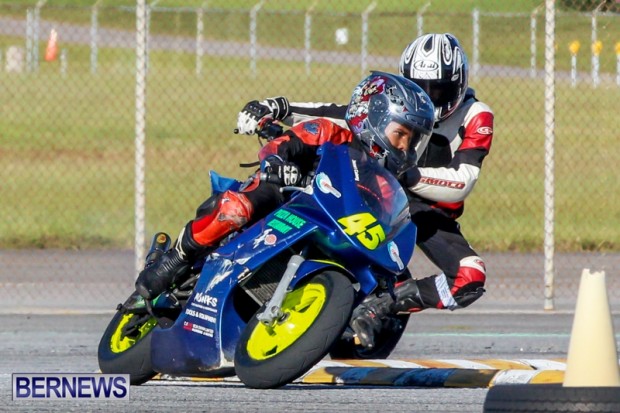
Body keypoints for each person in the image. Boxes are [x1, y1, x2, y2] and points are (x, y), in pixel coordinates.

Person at [235, 33, 494, 349]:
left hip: (428, 209)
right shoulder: (400, 98)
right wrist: (281, 107)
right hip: (378, 188)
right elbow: (347, 114)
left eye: (439, 89)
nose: (429, 97)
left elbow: (463, 180)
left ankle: (380, 306)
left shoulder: (476, 114)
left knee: (470, 276)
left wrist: (407, 173)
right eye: (420, 85)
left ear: (459, 83)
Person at [135, 71, 436, 301]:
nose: (405, 148)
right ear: (375, 118)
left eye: (414, 141)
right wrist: (279, 164)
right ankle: (175, 259)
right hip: (287, 197)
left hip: (330, 227)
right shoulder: (331, 132)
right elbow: (282, 145)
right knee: (238, 208)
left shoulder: (384, 183)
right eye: (401, 134)